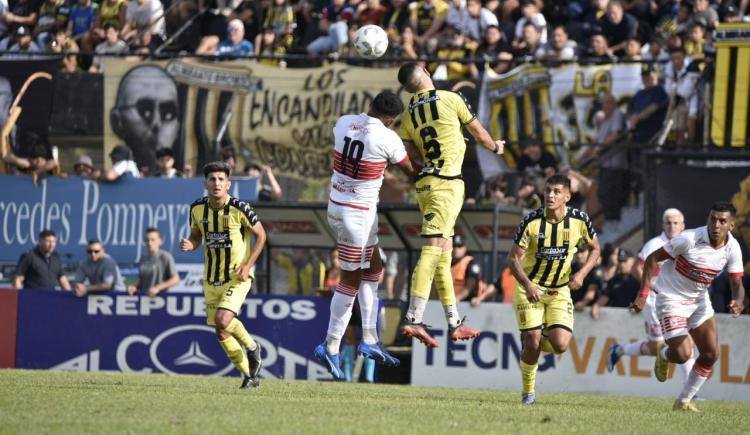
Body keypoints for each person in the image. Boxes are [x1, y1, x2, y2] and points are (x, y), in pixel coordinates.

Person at [396, 62, 504, 348]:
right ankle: (414, 318)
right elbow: (481, 134)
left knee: (444, 255)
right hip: (445, 185)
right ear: (426, 74)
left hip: (427, 184)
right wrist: (496, 146)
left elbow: (409, 152)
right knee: (432, 251)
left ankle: (454, 322)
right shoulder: (451, 98)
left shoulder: (408, 113)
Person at [314, 91, 417, 380]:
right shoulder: (387, 138)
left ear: (370, 106)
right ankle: (331, 344)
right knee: (350, 281)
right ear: (391, 119)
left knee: (375, 269)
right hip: (356, 216)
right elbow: (411, 172)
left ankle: (370, 339)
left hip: (340, 206)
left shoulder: (344, 122)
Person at [632, 202, 744, 412]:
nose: (716, 224)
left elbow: (737, 285)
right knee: (683, 355)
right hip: (671, 300)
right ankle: (664, 354)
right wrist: (643, 293)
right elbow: (652, 258)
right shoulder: (689, 239)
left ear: (731, 225)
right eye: (713, 219)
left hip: (699, 301)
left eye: (722, 221)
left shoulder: (733, 247)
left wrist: (738, 300)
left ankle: (683, 401)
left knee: (711, 355)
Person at [507, 174, 601, 405]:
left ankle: (543, 331)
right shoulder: (531, 222)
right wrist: (528, 285)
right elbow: (513, 259)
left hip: (559, 290)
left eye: (557, 191)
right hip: (530, 287)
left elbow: (595, 249)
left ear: (568, 196)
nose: (550, 195)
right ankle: (528, 394)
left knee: (560, 346)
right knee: (532, 342)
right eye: (548, 190)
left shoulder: (580, 220)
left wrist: (581, 274)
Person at [180, 161, 268, 389]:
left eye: (221, 179)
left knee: (223, 320)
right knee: (221, 331)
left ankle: (252, 348)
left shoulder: (240, 208)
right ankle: (249, 374)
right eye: (212, 179)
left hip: (237, 277)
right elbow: (197, 234)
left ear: (228, 184)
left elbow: (261, 236)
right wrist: (192, 243)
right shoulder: (197, 209)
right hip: (211, 279)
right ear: (205, 184)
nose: (217, 183)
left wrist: (248, 265)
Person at [607, 208, 695, 377]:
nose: (672, 226)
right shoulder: (654, 245)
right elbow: (636, 268)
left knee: (685, 342)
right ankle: (619, 350)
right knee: (656, 347)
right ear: (663, 225)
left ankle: (690, 393)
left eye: (675, 223)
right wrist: (650, 285)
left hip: (677, 302)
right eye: (668, 223)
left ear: (683, 225)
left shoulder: (687, 245)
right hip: (654, 303)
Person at [110, 65, 180, 172]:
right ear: (117, 121)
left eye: (168, 114)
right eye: (146, 111)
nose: (156, 123)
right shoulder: (124, 166)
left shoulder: (178, 178)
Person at [127, 227, 180, 298]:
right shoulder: (143, 258)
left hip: (161, 300)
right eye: (147, 240)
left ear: (159, 241)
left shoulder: (165, 256)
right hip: (144, 300)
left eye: (153, 240)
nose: (149, 243)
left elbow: (176, 279)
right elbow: (142, 281)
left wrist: (157, 288)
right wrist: (135, 287)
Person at [450, 234, 484, 302]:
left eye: (460, 246)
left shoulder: (471, 264)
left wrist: (456, 299)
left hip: (468, 305)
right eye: (454, 246)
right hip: (452, 305)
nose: (456, 249)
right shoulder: (447, 264)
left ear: (465, 248)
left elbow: (469, 288)